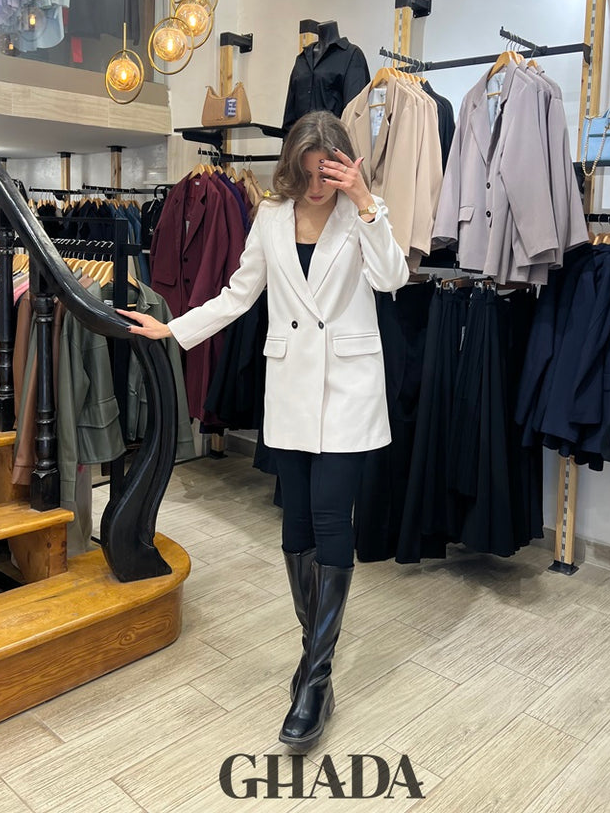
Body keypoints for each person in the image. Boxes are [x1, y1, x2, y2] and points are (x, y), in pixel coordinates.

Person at [118, 110, 409, 751]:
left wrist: (366, 202)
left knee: (332, 521)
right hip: (293, 387)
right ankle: (313, 659)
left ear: (344, 166)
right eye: (306, 175)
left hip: (349, 389)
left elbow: (393, 279)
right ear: (291, 169)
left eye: (327, 174)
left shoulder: (362, 212)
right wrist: (175, 328)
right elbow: (239, 293)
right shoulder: (271, 216)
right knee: (295, 525)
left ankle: (315, 678)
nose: (317, 187)